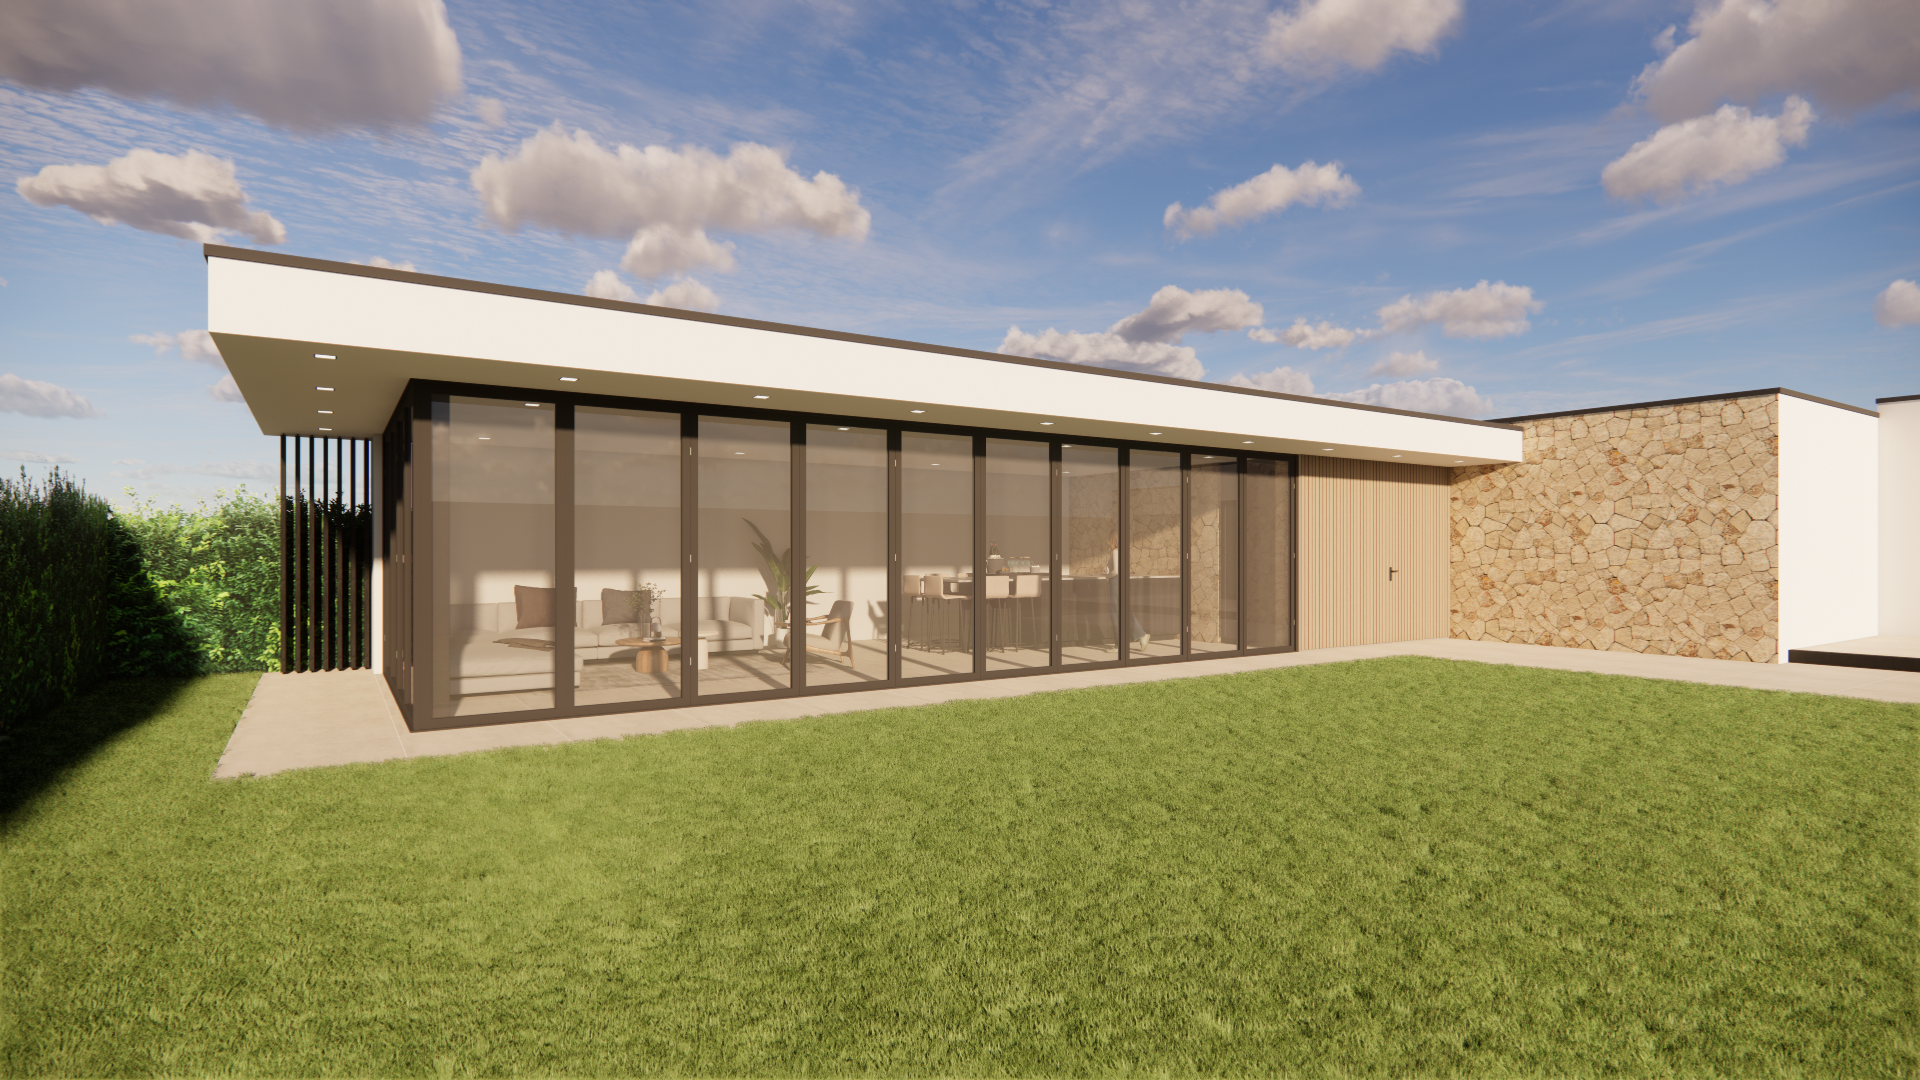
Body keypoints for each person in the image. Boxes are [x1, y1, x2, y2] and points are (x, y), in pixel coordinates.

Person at [1108, 529, 1150, 654]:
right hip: (1121, 582)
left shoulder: (1115, 552)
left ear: (1113, 539)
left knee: (1116, 613)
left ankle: (1131, 639)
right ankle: (1124, 642)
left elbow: (1116, 571)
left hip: (1116, 581)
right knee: (1121, 611)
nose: (1108, 542)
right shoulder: (1123, 552)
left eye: (1109, 539)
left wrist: (1107, 575)